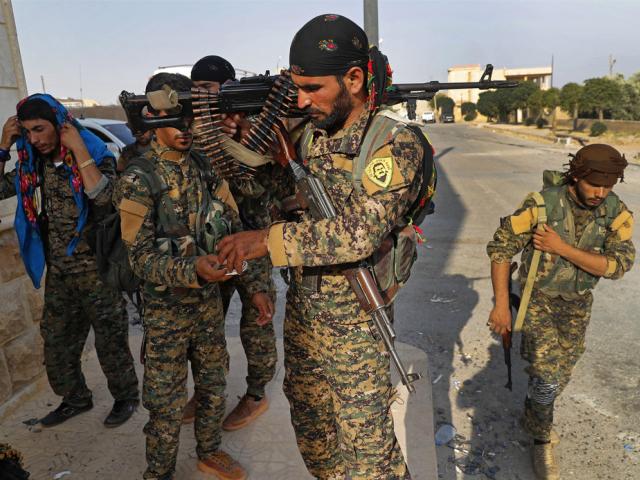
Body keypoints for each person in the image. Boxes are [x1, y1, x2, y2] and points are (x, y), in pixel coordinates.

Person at [217, 14, 426, 479]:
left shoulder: (394, 145)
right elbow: (268, 195)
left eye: (312, 88)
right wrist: (241, 147)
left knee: (370, 451)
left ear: (353, 79)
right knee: (313, 429)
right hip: (305, 312)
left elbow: (358, 234)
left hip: (355, 319)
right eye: (295, 87)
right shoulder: (309, 135)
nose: (301, 99)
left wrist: (265, 243)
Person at [114, 72, 272, 480]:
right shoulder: (138, 178)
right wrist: (193, 269)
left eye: (189, 119)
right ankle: (160, 472)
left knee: (212, 385)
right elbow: (140, 259)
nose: (185, 128)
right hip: (166, 314)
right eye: (172, 119)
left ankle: (209, 451)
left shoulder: (206, 168)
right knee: (165, 403)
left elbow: (236, 231)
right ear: (150, 119)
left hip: (206, 308)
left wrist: (254, 287)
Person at [487, 144, 635, 480]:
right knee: (549, 374)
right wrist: (500, 306)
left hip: (577, 303)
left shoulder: (616, 212)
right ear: (576, 175)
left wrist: (561, 248)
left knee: (559, 374)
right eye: (593, 184)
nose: (600, 192)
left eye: (608, 185)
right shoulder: (542, 205)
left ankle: (536, 407)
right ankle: (541, 438)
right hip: (537, 299)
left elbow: (617, 266)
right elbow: (500, 250)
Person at [0, 95, 139, 428]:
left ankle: (126, 398)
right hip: (61, 273)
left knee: (111, 343)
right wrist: (4, 148)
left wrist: (79, 151)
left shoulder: (97, 157)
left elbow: (106, 200)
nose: (34, 139)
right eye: (28, 132)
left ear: (60, 127)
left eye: (40, 129)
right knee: (57, 343)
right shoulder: (32, 165)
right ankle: (75, 398)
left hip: (99, 272)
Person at [186, 54, 277, 430]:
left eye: (209, 89)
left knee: (257, 321)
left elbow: (258, 188)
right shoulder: (193, 130)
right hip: (211, 244)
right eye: (197, 90)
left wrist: (233, 136)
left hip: (253, 240)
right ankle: (208, 391)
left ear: (227, 89)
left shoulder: (249, 126)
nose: (201, 97)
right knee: (207, 326)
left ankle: (255, 394)